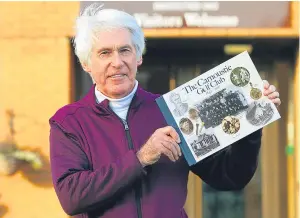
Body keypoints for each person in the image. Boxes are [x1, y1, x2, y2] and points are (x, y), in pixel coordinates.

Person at [49, 3, 281, 218]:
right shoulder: (69, 122)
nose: (117, 62)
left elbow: (230, 176)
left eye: (125, 50)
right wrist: (141, 158)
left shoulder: (172, 110)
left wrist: (251, 122)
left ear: (138, 56)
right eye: (104, 53)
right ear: (86, 63)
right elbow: (72, 197)